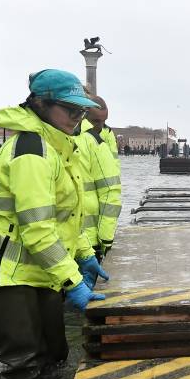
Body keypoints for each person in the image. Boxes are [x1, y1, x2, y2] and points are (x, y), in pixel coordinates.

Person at [0, 69, 109, 379]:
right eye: (70, 109)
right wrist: (72, 280)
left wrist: (83, 253)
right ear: (41, 104)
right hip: (3, 278)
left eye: (81, 110)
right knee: (26, 367)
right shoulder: (32, 152)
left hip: (38, 273)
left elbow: (67, 215)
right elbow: (38, 230)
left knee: (55, 356)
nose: (78, 117)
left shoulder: (59, 148)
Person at [76, 92, 123, 261]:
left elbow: (110, 188)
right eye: (96, 121)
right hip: (74, 235)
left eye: (104, 120)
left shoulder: (100, 137)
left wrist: (105, 238)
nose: (101, 125)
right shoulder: (83, 139)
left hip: (89, 235)